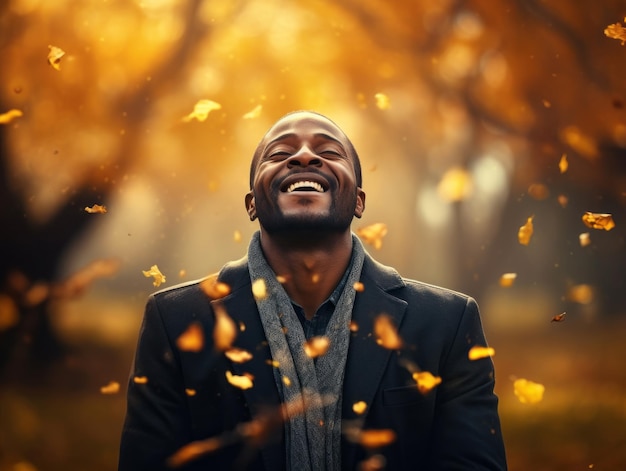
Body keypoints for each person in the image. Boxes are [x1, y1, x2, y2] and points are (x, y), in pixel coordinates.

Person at [118, 110, 507, 470]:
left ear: (358, 201)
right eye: (280, 152)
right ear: (252, 203)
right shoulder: (175, 321)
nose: (304, 156)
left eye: (328, 151)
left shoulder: (446, 323)